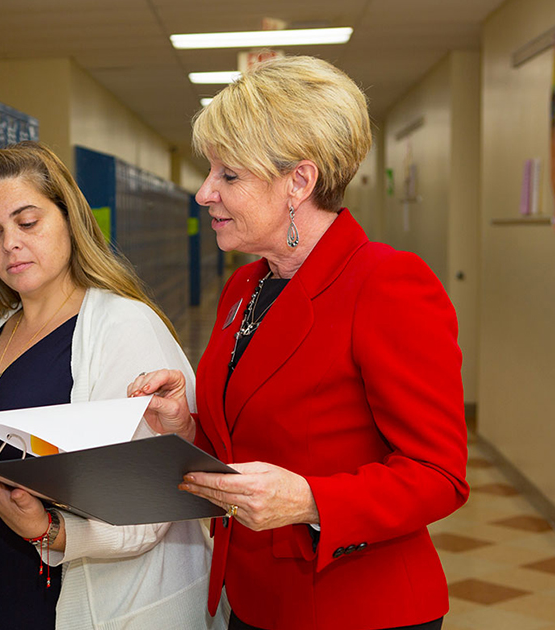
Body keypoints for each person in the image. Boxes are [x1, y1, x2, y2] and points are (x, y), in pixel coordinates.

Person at [129, 55, 469, 630]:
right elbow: (249, 437)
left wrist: (311, 499)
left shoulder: (386, 285)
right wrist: (187, 425)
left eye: (228, 176)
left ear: (299, 182)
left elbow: (440, 474)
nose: (204, 193)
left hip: (354, 606)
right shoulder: (247, 284)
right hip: (257, 599)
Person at [0, 141, 226, 630]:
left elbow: (155, 501)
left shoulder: (125, 326)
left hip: (60, 613)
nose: (10, 245)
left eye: (28, 222)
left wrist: (50, 530)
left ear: (68, 218)